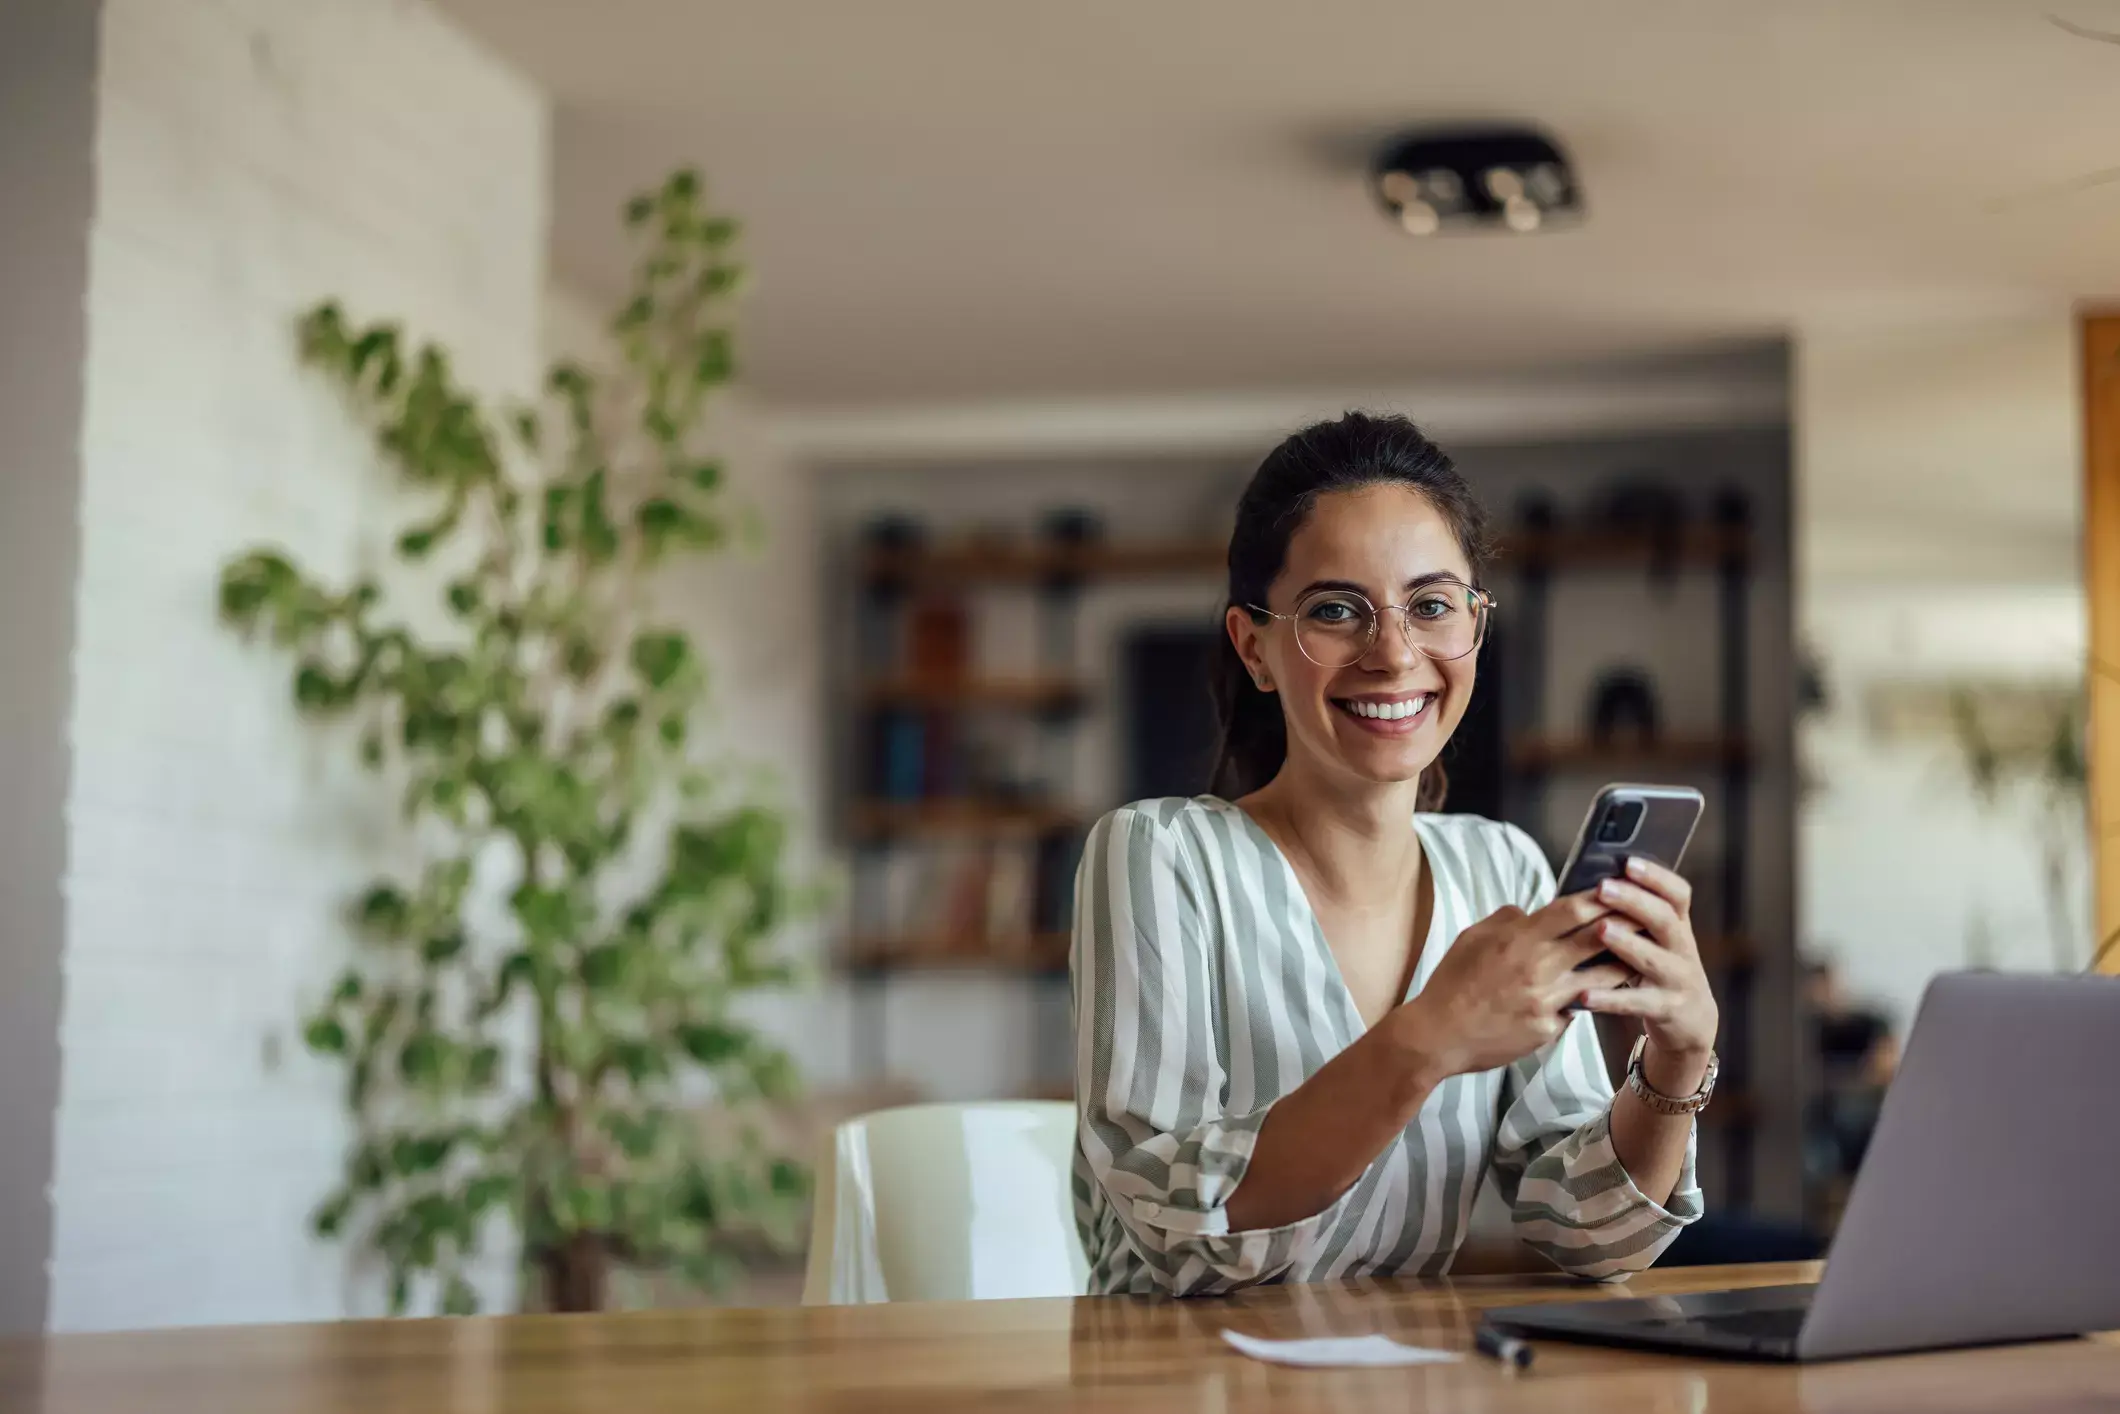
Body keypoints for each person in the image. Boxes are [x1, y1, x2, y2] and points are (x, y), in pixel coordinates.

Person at [1069, 413, 1719, 1297]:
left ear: (1474, 630)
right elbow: (1174, 1233)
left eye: (1431, 604)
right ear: (1253, 646)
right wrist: (1429, 1038)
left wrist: (1674, 1064)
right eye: (1337, 610)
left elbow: (1588, 1234)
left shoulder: (1504, 872)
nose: (1394, 652)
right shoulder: (1159, 855)